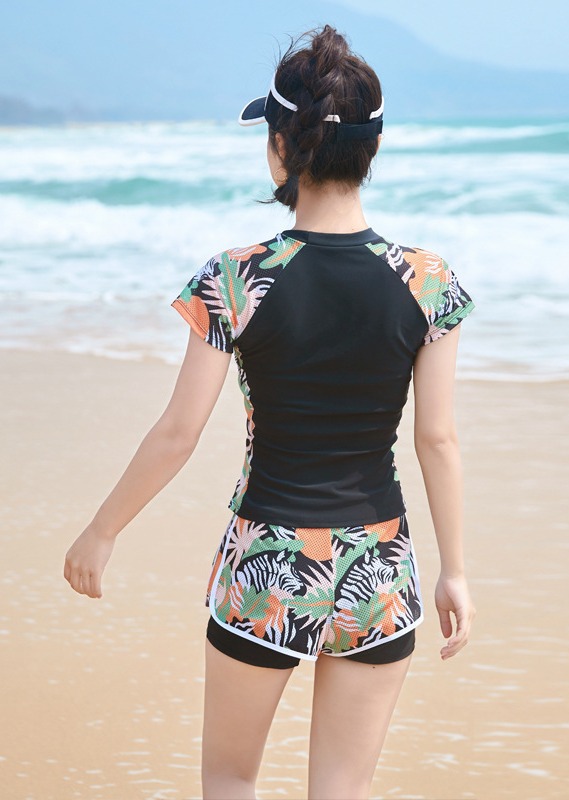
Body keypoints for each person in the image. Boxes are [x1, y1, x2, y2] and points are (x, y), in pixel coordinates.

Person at [63, 23, 476, 800]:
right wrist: (454, 571)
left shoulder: (235, 279)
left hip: (266, 565)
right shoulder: (429, 282)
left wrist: (102, 529)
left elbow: (178, 432)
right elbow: (438, 439)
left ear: (282, 145)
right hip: (379, 569)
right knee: (341, 790)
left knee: (229, 778)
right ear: (372, 148)